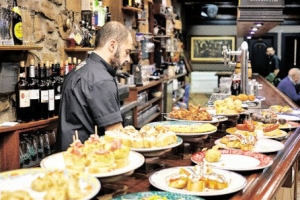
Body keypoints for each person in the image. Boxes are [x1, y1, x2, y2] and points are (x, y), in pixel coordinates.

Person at [56, 21, 133, 151]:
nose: (128, 59)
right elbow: (115, 135)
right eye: (127, 51)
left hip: (68, 154)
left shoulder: (78, 69)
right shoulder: (102, 80)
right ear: (112, 46)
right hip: (88, 159)